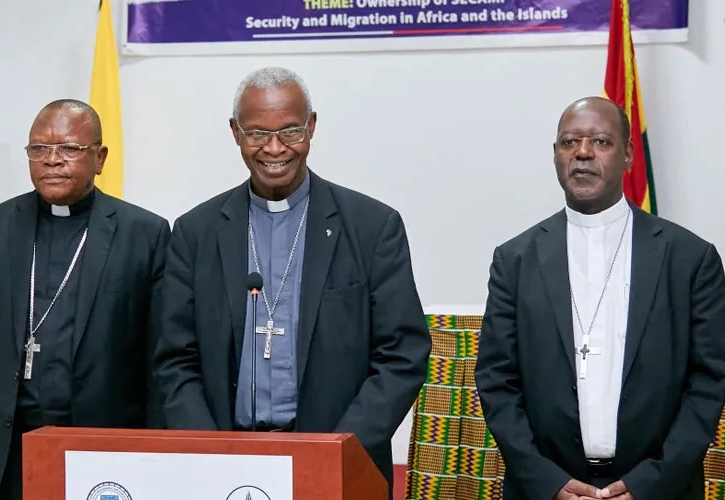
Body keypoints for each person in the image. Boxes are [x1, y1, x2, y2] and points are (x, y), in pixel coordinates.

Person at [154, 66, 431, 497]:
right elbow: (174, 359)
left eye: (291, 131)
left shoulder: (372, 227)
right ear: (235, 132)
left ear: (313, 127)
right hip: (223, 467)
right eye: (257, 134)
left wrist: (338, 449)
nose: (275, 148)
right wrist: (207, 450)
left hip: (340, 462)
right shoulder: (196, 232)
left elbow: (403, 355)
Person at [475, 96, 725, 500]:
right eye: (569, 142)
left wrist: (651, 483)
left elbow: (710, 382)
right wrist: (545, 481)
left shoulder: (690, 259)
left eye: (601, 142)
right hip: (545, 488)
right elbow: (496, 380)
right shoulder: (515, 260)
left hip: (660, 489)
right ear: (555, 155)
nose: (583, 153)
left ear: (628, 154)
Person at [0, 99, 171, 500]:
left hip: (102, 455)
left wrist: (153, 459)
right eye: (39, 149)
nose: (52, 161)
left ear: (99, 158)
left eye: (69, 149)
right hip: (2, 455)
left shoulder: (144, 235)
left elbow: (159, 364)